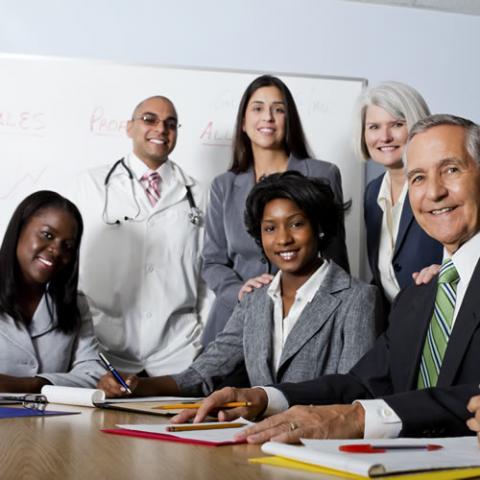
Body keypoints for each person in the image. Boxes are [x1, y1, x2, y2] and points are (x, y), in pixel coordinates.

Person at [172, 114, 480, 443]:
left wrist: (360, 416)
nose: (433, 192)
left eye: (451, 169)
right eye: (417, 177)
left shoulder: (363, 297)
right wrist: (264, 397)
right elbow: (362, 383)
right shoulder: (416, 298)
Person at [97, 172, 380, 398]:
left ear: (319, 227)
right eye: (270, 228)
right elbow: (204, 373)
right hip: (259, 444)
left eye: (296, 224)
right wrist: (138, 386)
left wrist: (265, 403)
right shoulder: (256, 300)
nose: (283, 239)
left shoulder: (356, 298)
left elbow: (352, 392)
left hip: (320, 448)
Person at [201, 75, 349, 345]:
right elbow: (212, 261)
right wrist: (237, 291)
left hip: (303, 322)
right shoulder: (224, 185)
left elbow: (336, 259)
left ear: (288, 121)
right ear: (243, 123)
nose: (267, 117)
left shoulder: (322, 174)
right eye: (257, 108)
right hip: (234, 322)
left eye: (278, 109)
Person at [72, 96, 208, 376]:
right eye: (150, 119)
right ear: (129, 127)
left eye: (170, 124)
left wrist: (202, 337)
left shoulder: (199, 194)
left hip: (179, 352)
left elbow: (207, 275)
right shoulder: (91, 184)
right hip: (103, 350)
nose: (161, 129)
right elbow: (70, 263)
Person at [0, 191, 103, 392]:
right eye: (47, 235)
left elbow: (92, 373)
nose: (56, 251)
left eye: (68, 246)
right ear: (19, 229)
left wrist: (34, 384)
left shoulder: (74, 304)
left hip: (50, 420)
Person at [353, 81, 442, 305]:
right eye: (373, 127)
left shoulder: (441, 187)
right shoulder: (372, 194)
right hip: (396, 326)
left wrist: (449, 270)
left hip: (441, 320)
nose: (384, 137)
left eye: (397, 124)